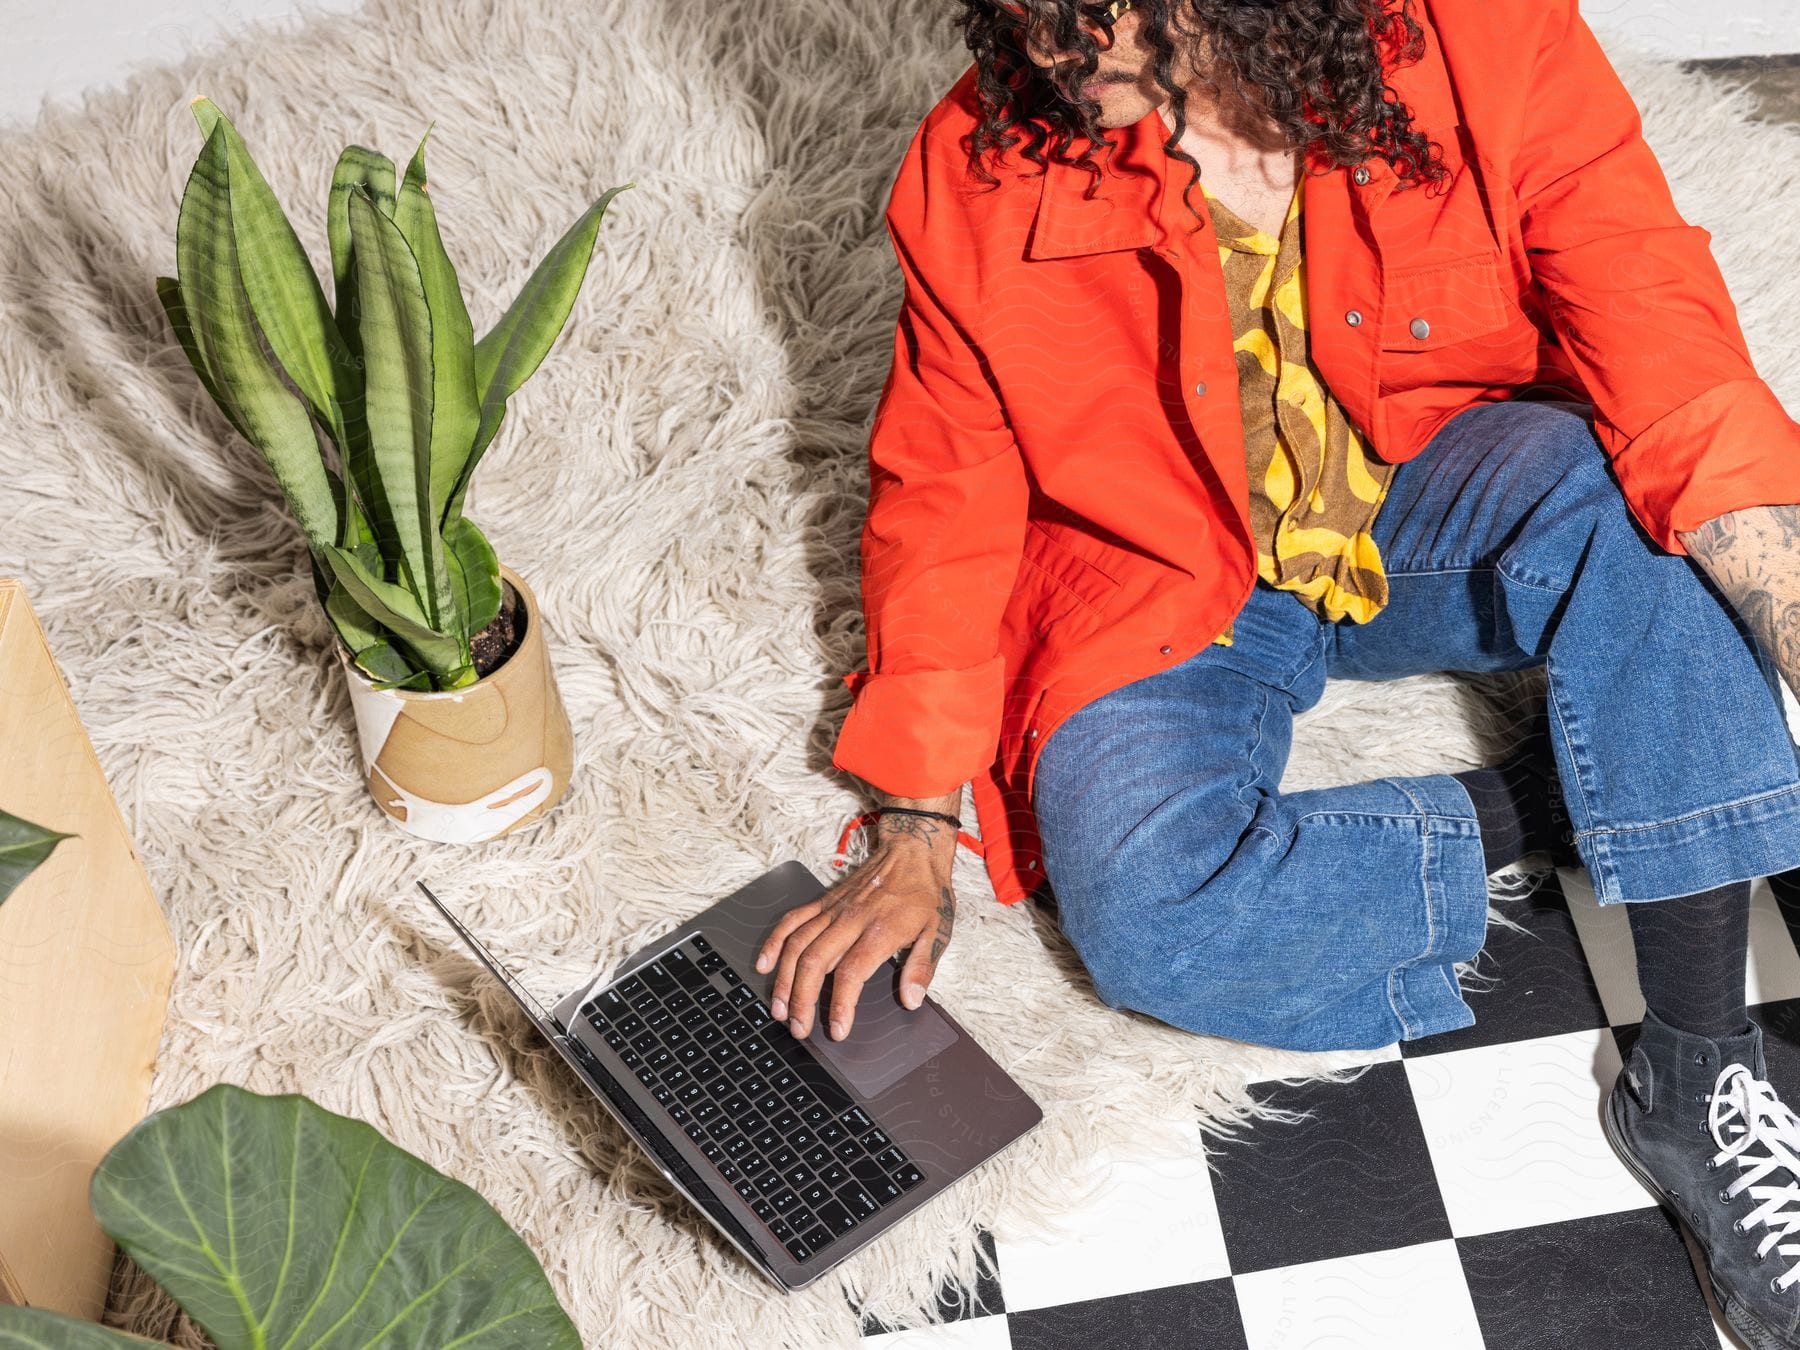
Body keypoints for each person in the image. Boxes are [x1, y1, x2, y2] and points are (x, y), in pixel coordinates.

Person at [754, 0, 1800, 1336]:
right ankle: (1563, 798)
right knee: (1151, 912)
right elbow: (942, 494)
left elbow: (1667, 355)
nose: (1060, 43)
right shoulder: (974, 167)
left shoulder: (1483, 36)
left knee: (1662, 527)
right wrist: (911, 826)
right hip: (1162, 567)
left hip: (1434, 483)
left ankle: (1699, 1073)